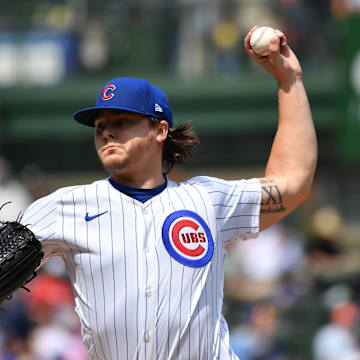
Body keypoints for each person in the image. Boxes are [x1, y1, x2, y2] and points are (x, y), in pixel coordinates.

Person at [18, 26, 317, 359]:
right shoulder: (63, 207)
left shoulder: (207, 200)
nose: (107, 132)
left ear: (160, 130)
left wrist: (289, 80)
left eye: (121, 120)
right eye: (100, 126)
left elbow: (294, 183)